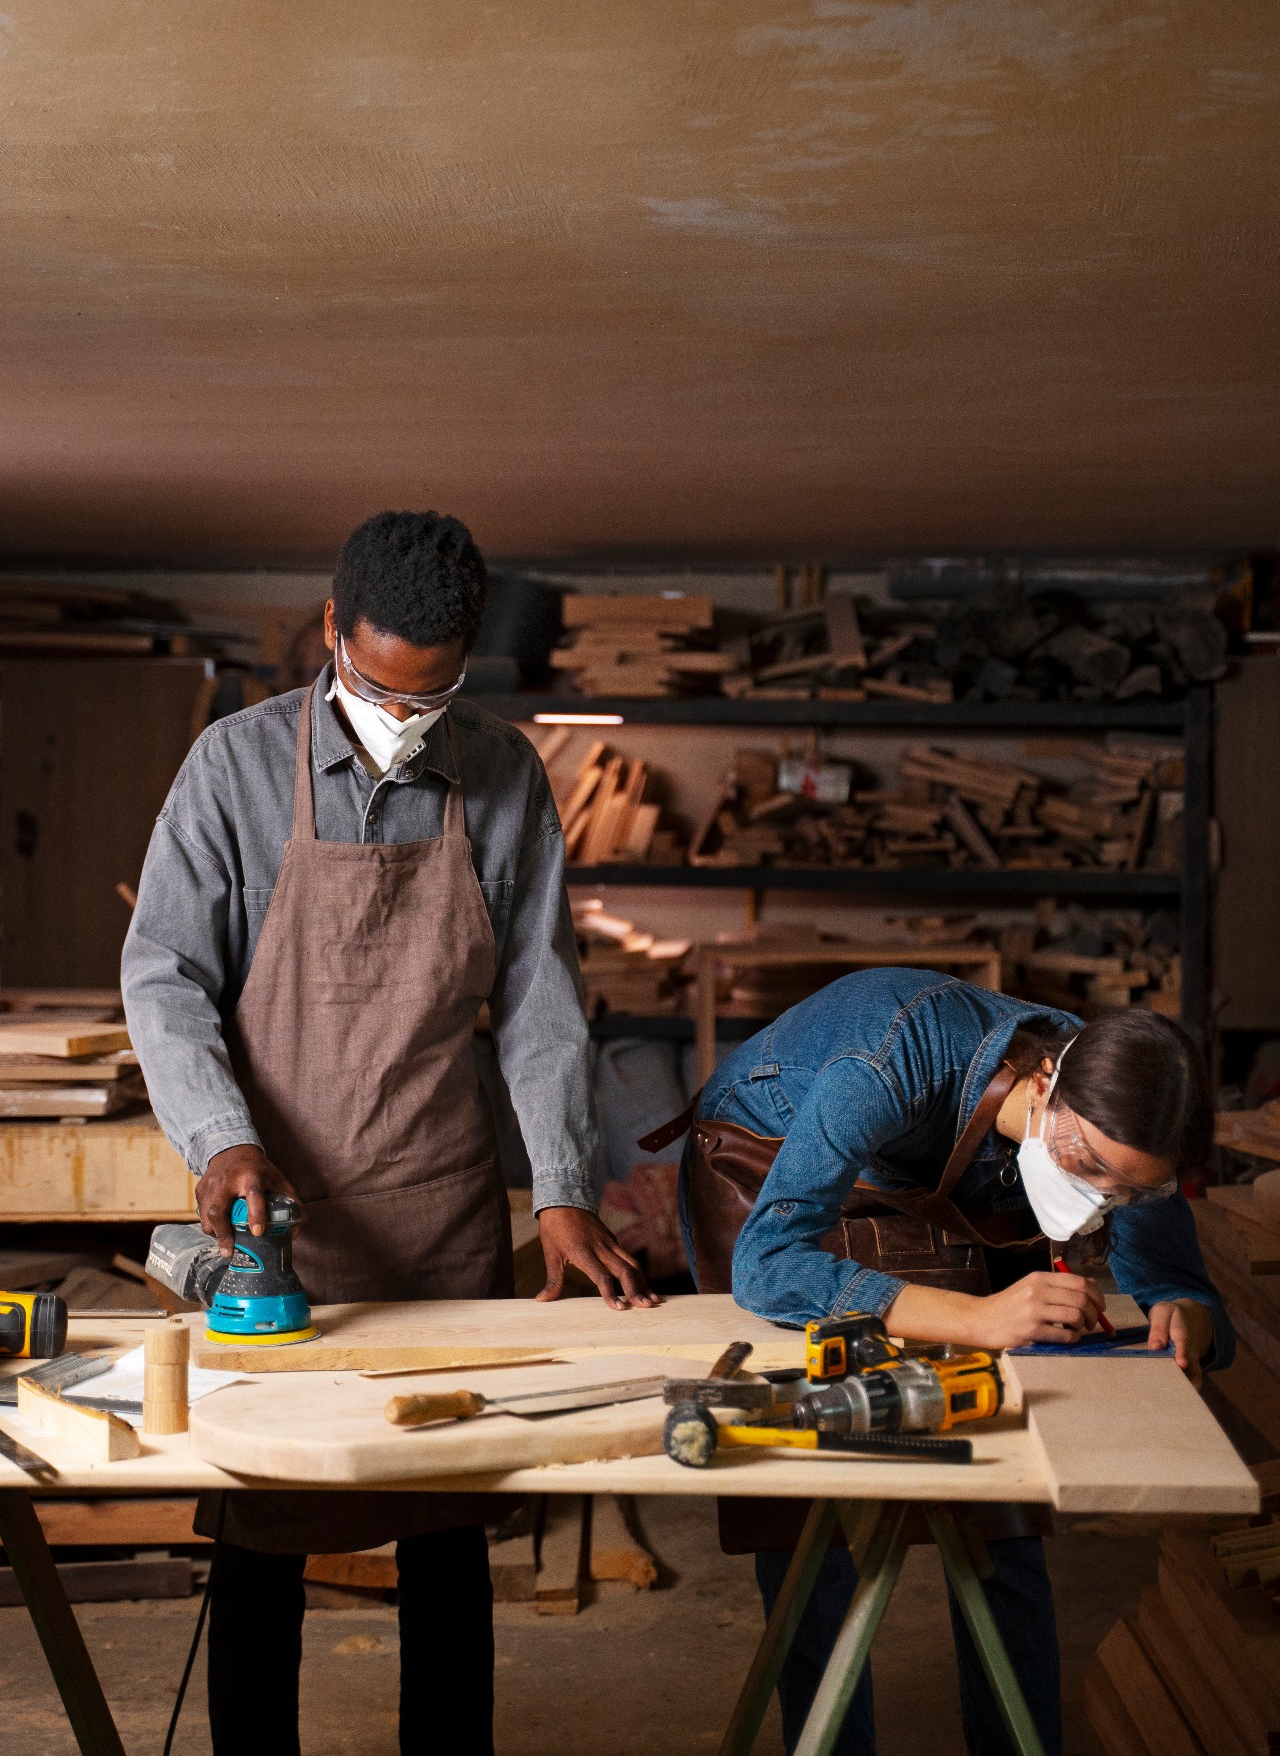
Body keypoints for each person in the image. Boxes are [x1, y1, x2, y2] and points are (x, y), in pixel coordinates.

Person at [122, 509, 657, 1756]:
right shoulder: (233, 769)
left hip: (440, 1199)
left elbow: (535, 997)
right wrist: (220, 1140)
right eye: (375, 685)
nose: (401, 717)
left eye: (434, 692)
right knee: (263, 1533)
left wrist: (565, 1190)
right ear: (331, 633)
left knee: (443, 1541)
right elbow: (162, 977)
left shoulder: (507, 775)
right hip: (273, 1212)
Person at [677, 967, 1229, 1756]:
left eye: (1128, 1190)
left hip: (927, 1176)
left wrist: (1190, 1320)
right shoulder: (887, 1060)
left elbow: (1181, 1287)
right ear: (1046, 1083)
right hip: (768, 1168)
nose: (1100, 1194)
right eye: (1086, 1162)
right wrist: (979, 1317)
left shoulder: (1124, 1103)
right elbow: (769, 1265)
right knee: (809, 1497)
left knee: (1005, 1495)